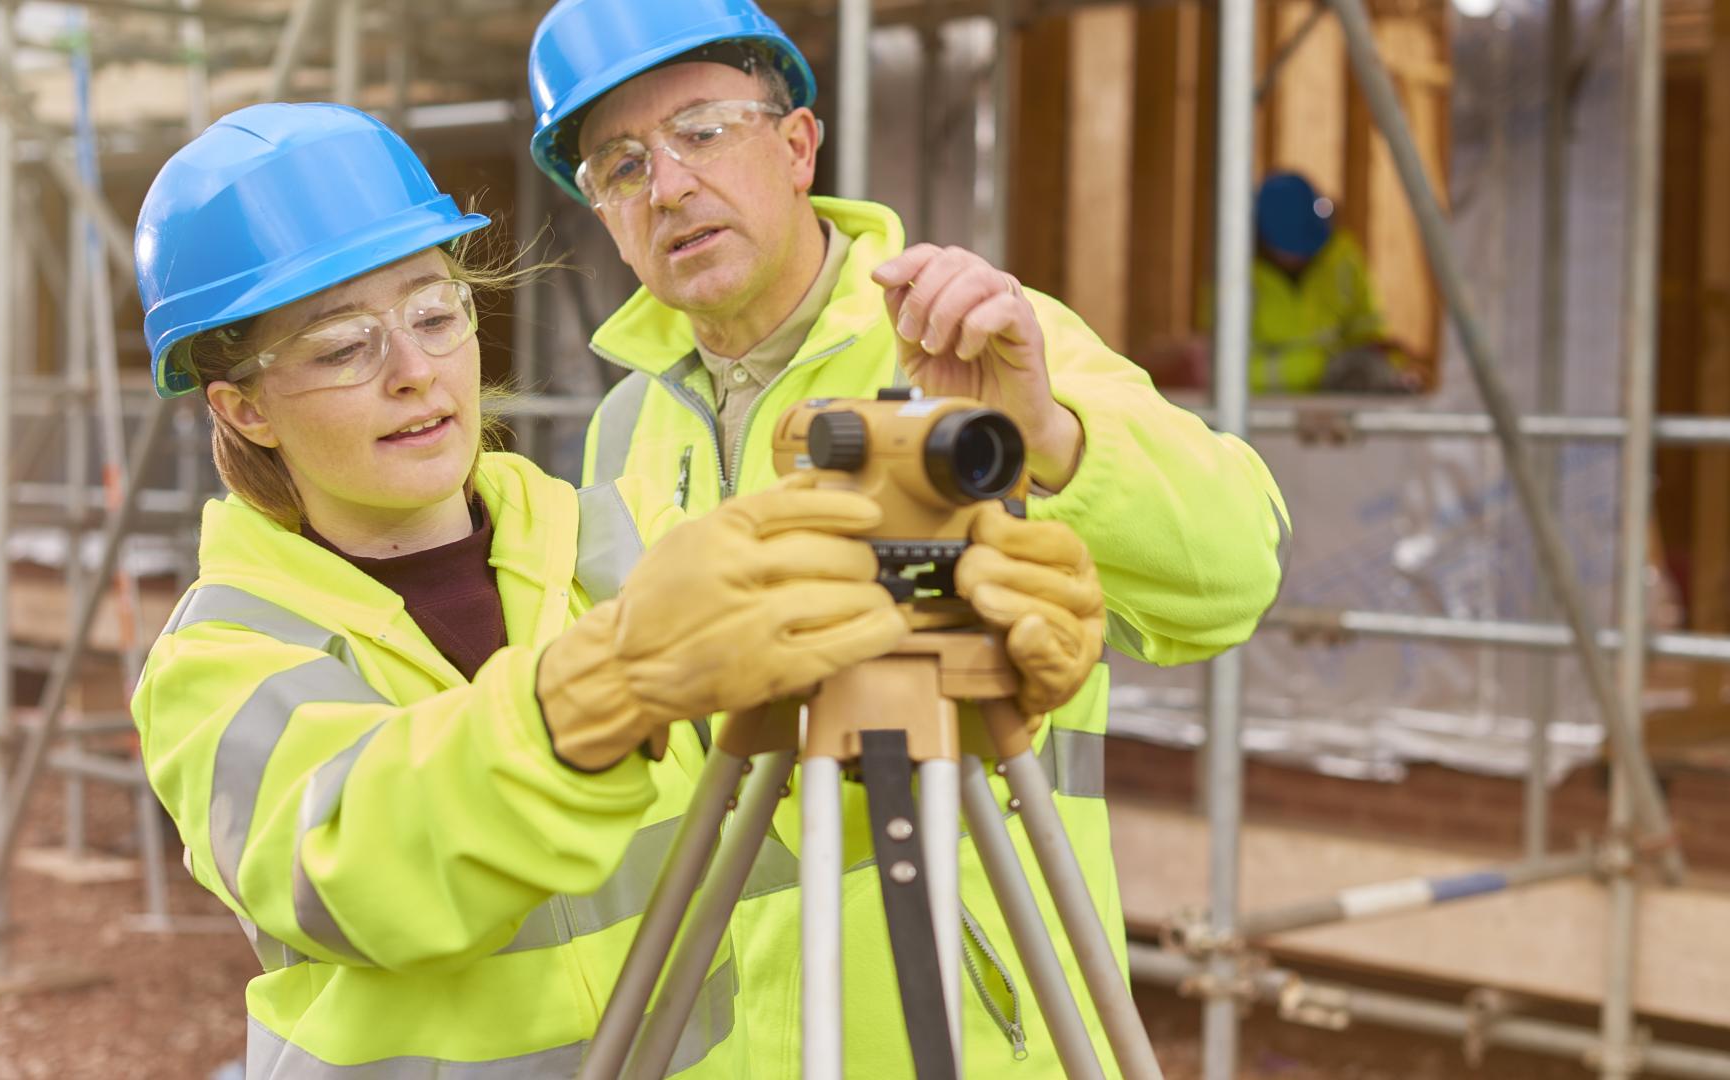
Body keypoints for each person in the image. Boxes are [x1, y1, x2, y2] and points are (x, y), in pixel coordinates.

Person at [127, 101, 989, 1075]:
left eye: (432, 313)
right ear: (244, 408)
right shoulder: (222, 658)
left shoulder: (613, 545)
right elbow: (366, 866)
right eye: (340, 348)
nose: (415, 372)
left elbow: (785, 815)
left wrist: (944, 651)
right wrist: (601, 688)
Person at [527, 1, 1294, 1073]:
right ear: (601, 212)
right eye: (618, 166)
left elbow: (1233, 570)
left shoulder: (972, 343)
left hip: (965, 1029)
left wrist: (1043, 432)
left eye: (701, 131)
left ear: (795, 147)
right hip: (717, 1039)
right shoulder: (625, 428)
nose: (666, 187)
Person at [1178, 171, 1415, 394]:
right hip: (1261, 412)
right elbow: (1221, 367)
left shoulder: (1341, 257)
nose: (1303, 257)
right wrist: (1319, 367)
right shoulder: (1232, 273)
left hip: (1339, 403)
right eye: (1291, 248)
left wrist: (1386, 367)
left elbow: (1368, 331)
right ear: (1261, 237)